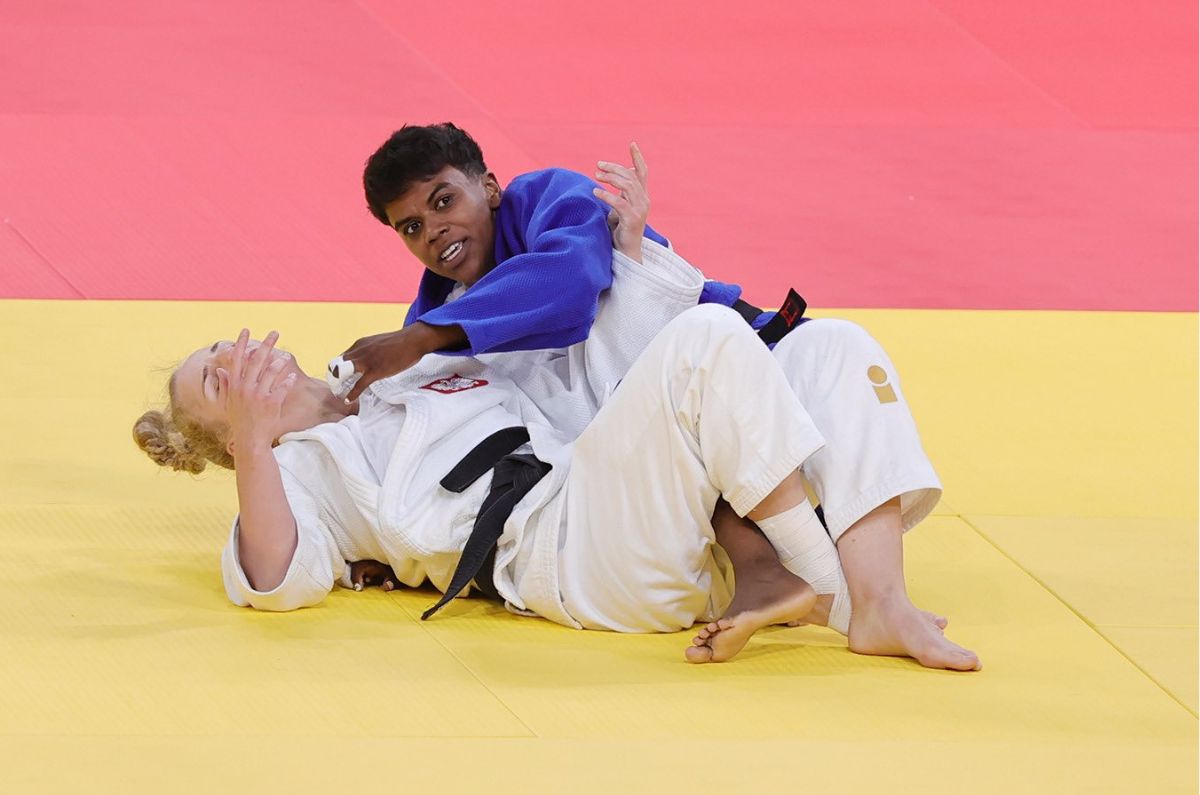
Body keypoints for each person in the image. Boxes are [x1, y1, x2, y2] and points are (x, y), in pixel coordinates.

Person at [132, 235, 980, 670]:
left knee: (832, 346)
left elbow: (573, 359)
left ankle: (877, 603)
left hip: (630, 503)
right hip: (564, 552)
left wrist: (637, 246)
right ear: (234, 433)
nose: (237, 359)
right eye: (218, 379)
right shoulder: (300, 476)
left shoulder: (391, 367)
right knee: (708, 341)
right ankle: (819, 584)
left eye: (222, 347)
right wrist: (252, 446)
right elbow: (278, 582)